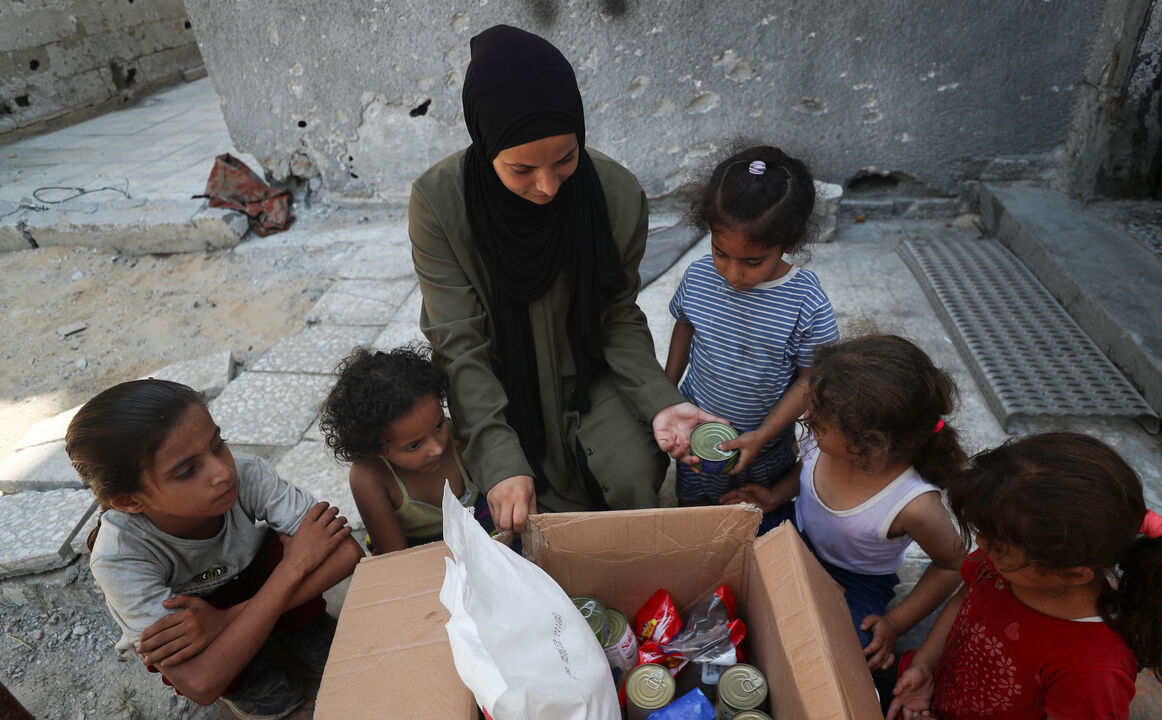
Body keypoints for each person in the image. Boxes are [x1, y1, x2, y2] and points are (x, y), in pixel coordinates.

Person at [409, 24, 720, 533]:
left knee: (635, 477)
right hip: (501, 386)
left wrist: (662, 404)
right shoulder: (439, 205)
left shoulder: (615, 194)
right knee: (519, 501)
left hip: (589, 376)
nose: (548, 186)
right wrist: (498, 453)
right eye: (521, 170)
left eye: (566, 159)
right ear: (486, 146)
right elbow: (459, 344)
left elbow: (616, 314)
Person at [66, 379, 364, 720]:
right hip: (196, 623)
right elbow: (201, 682)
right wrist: (292, 568)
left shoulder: (248, 475)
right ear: (129, 500)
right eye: (189, 470)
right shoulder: (119, 557)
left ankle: (296, 629)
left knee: (338, 646)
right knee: (193, 648)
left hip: (238, 595)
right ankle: (250, 677)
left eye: (218, 444)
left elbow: (347, 553)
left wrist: (224, 620)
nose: (223, 471)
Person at [887, 432, 1162, 720]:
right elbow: (964, 597)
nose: (981, 545)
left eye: (997, 545)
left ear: (1074, 573)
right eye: (984, 533)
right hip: (931, 691)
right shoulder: (1005, 561)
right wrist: (924, 666)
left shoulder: (1093, 670)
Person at [721, 334, 967, 671]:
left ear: (869, 443)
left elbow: (951, 565)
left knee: (847, 656)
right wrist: (775, 496)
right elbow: (804, 471)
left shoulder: (913, 503)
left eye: (819, 420)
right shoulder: (821, 441)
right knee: (722, 550)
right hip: (793, 529)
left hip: (856, 581)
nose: (805, 417)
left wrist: (896, 623)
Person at [664, 145, 838, 505]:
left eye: (752, 261)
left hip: (767, 443)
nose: (732, 274)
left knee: (752, 512)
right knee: (698, 509)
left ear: (787, 243)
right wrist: (667, 388)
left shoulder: (806, 301)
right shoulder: (698, 277)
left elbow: (809, 380)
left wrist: (761, 436)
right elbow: (685, 325)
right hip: (701, 431)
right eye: (720, 252)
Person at [320, 343, 493, 553]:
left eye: (438, 425)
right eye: (414, 445)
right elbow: (395, 556)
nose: (437, 448)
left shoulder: (459, 438)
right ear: (375, 448)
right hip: (415, 551)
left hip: (478, 530)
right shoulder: (369, 477)